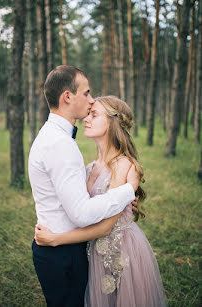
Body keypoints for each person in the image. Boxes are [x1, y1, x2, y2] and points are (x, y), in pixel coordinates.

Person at [35, 96, 167, 307]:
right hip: (94, 254)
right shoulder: (90, 167)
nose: (86, 119)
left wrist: (55, 239)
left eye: (94, 115)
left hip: (121, 253)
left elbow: (105, 227)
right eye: (88, 114)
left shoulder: (123, 165)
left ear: (113, 122)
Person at [28, 66, 139, 307]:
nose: (90, 102)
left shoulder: (57, 139)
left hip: (86, 251)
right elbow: (81, 213)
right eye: (87, 93)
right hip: (62, 253)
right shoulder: (61, 144)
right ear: (67, 97)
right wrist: (126, 192)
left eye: (95, 111)